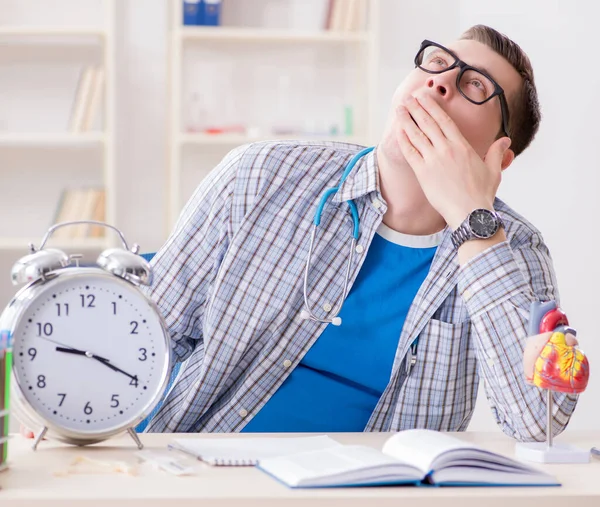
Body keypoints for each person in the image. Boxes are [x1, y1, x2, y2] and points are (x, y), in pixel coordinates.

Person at [141, 24, 579, 441]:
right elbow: (144, 340)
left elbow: (535, 420)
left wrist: (472, 220)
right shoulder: (258, 175)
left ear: (499, 158)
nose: (441, 83)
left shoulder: (516, 250)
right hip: (204, 473)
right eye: (439, 61)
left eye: (476, 86)